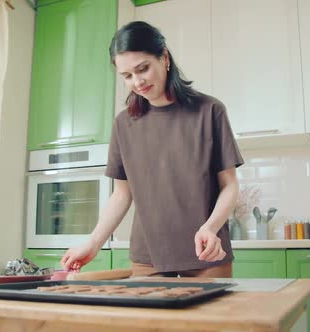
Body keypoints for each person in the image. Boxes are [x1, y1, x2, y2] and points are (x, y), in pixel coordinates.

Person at [61, 21, 244, 278]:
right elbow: (122, 195)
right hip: (149, 256)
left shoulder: (210, 111)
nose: (137, 82)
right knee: (150, 320)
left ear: (164, 58)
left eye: (143, 69)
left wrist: (211, 228)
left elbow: (230, 185)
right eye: (127, 76)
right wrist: (93, 242)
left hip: (207, 252)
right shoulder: (124, 124)